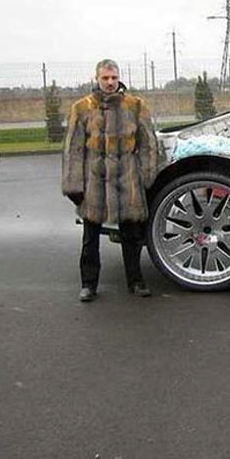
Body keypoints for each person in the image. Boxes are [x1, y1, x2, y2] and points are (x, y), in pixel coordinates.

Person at [62, 59, 163, 302]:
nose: (110, 82)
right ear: (96, 78)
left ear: (119, 79)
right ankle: (88, 284)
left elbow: (149, 143)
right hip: (94, 183)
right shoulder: (82, 108)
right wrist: (74, 185)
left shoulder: (135, 106)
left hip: (127, 181)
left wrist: (146, 175)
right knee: (90, 237)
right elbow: (73, 149)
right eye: (105, 78)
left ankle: (136, 281)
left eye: (114, 78)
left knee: (132, 236)